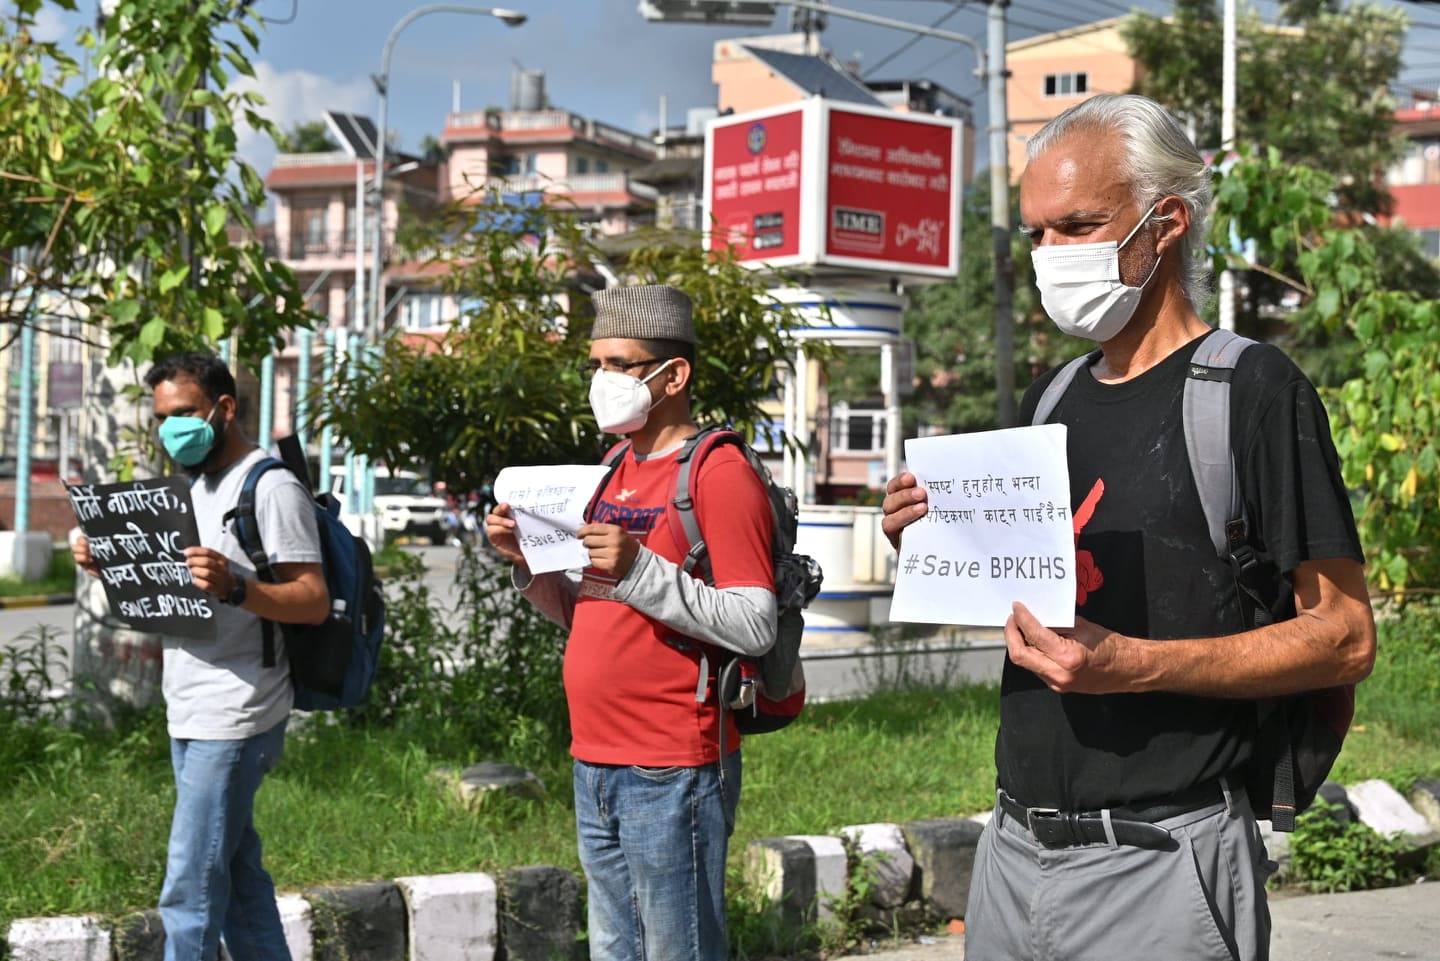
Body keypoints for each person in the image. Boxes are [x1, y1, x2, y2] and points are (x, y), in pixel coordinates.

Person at [881, 94, 1377, 961]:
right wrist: (935, 539)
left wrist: (1133, 664)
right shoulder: (1054, 395)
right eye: (1035, 235)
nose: (1049, 257)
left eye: (1076, 225)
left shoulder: (1253, 392)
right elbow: (1037, 589)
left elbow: (1343, 636)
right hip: (1009, 852)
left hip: (1162, 863)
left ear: (1166, 223)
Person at [485, 284, 777, 961]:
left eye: (620, 363)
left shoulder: (718, 472)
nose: (602, 380)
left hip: (672, 764)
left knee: (679, 950)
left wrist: (641, 567)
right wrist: (526, 563)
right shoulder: (613, 467)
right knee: (616, 947)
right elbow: (588, 607)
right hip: (594, 758)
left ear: (673, 375)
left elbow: (753, 622)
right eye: (596, 363)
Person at [72, 351, 329, 961]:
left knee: (189, 885)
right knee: (238, 879)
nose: (171, 429)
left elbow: (312, 601)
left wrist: (237, 585)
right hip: (186, 706)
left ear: (224, 408)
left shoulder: (270, 487)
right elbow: (167, 591)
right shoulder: (189, 489)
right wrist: (105, 559)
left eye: (183, 413)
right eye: (161, 416)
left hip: (238, 711)